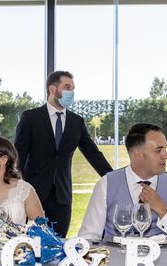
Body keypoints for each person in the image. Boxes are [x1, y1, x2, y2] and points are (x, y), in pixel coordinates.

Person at [14, 70, 113, 237]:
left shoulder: (77, 122)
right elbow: (19, 154)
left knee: (59, 244)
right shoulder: (31, 117)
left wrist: (114, 178)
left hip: (62, 197)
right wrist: (14, 184)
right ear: (53, 90)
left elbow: (92, 153)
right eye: (67, 87)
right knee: (28, 244)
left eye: (73, 88)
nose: (71, 93)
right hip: (32, 194)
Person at [78, 123, 167, 241]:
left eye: (165, 148)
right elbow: (88, 237)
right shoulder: (106, 184)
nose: (165, 155)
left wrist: (163, 210)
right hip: (117, 260)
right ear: (138, 154)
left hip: (165, 260)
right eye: (158, 150)